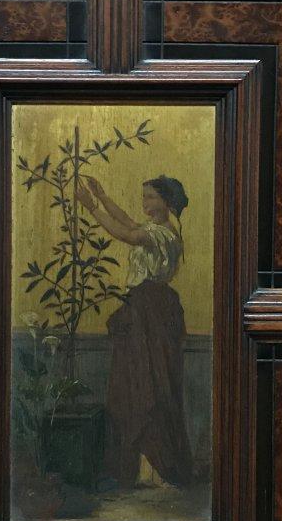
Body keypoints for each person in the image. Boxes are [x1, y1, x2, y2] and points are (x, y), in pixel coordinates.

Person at [74, 173, 193, 490]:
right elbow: (127, 221)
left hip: (151, 313)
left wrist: (91, 208)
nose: (145, 203)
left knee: (149, 384)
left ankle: (157, 467)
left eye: (151, 197)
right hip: (141, 310)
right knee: (133, 384)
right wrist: (102, 195)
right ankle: (140, 467)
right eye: (144, 197)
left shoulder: (164, 234)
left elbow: (125, 234)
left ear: (167, 202)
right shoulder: (155, 229)